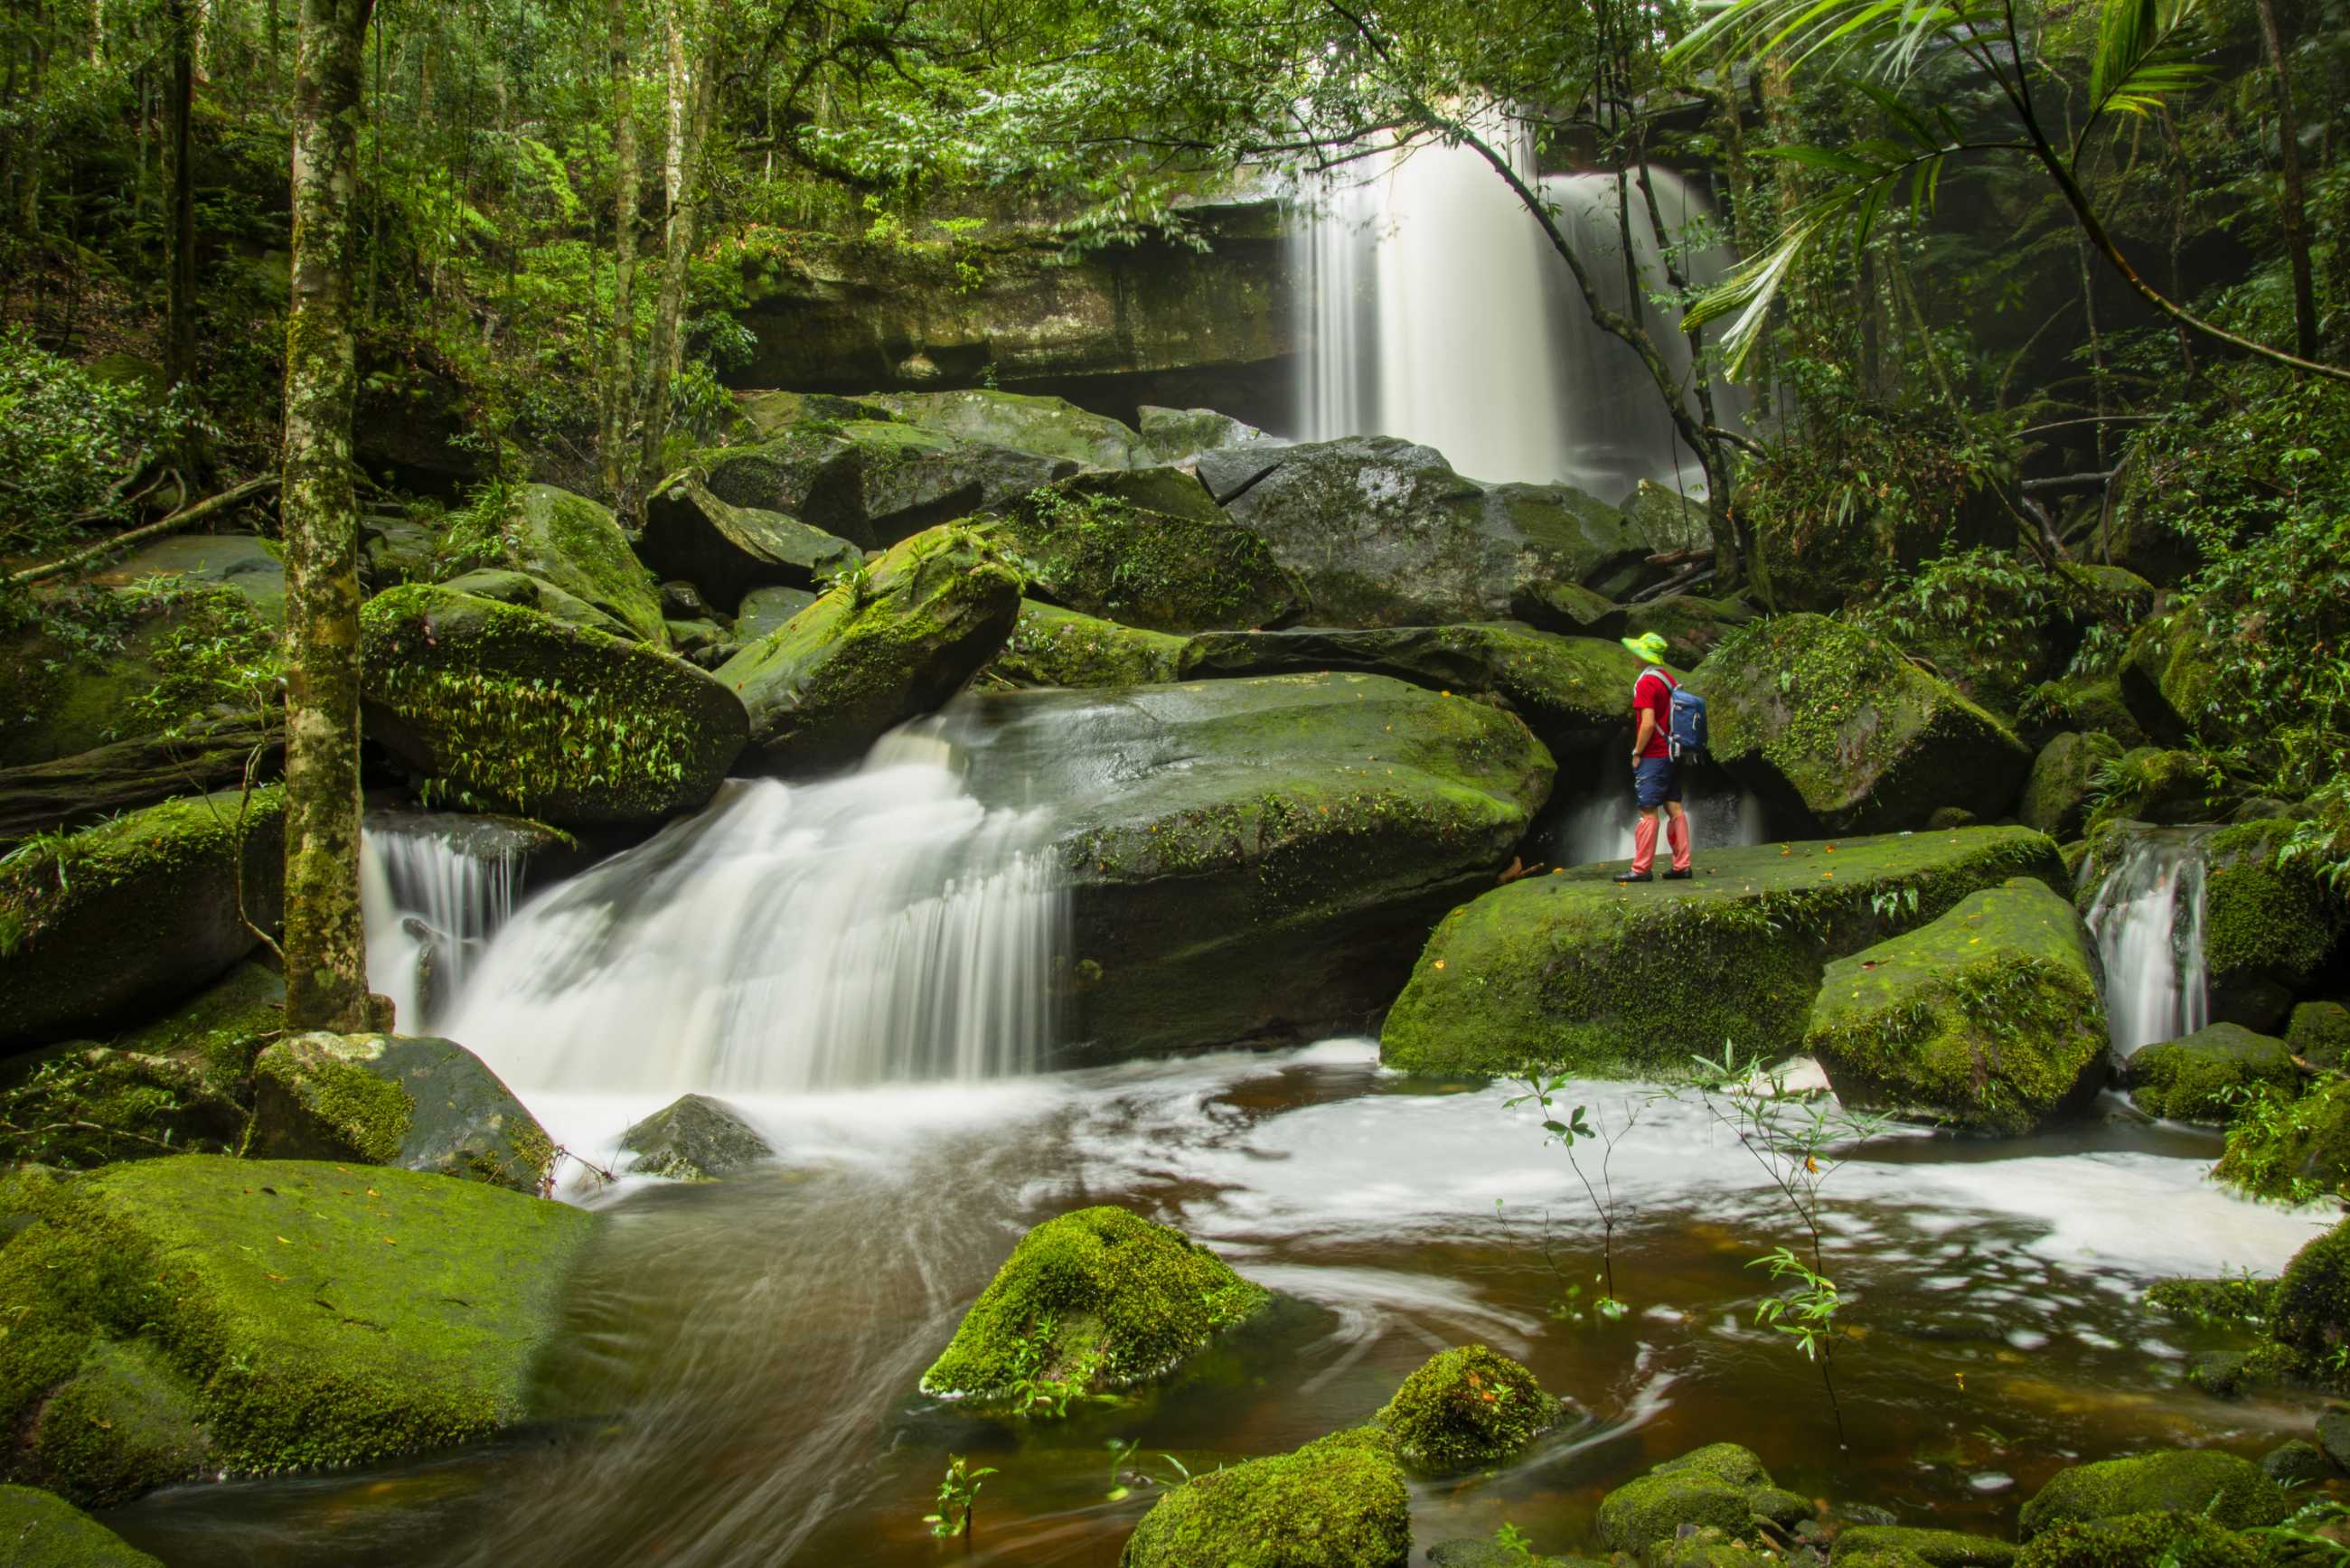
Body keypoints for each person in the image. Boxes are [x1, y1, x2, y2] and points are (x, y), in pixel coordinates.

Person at [1614, 631, 1692, 884]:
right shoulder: (1667, 677)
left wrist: (1637, 752)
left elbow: (1647, 724)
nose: (1632, 656)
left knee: (1648, 810)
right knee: (1674, 807)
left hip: (1655, 754)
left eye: (1636, 652)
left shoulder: (1647, 682)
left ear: (1643, 655)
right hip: (1673, 751)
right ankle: (1682, 865)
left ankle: (1641, 869)